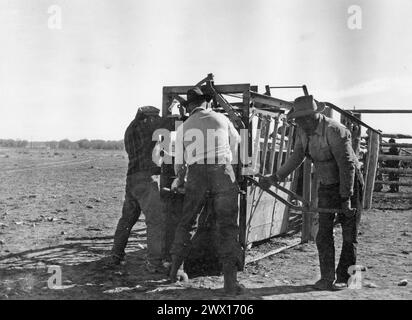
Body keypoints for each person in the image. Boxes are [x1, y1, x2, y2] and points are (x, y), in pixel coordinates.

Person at [260, 95, 363, 291]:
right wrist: (276, 177)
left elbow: (346, 165)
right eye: (296, 119)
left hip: (349, 183)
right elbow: (296, 156)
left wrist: (346, 197)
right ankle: (326, 277)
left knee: (349, 235)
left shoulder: (335, 130)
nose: (298, 122)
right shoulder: (302, 131)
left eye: (300, 118)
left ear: (312, 116)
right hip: (326, 183)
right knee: (323, 232)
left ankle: (345, 277)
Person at [168, 86, 245, 295]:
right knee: (227, 226)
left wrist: (181, 179)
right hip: (222, 171)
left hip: (196, 174)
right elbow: (237, 142)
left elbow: (179, 164)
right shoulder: (221, 119)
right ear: (207, 102)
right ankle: (230, 283)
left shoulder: (184, 127)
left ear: (189, 106)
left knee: (187, 221)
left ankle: (175, 272)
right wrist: (231, 168)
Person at [110, 106, 169, 273]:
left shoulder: (130, 129)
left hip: (132, 179)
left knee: (126, 220)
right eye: (155, 117)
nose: (157, 120)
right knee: (156, 221)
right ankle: (154, 263)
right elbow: (170, 124)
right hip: (145, 180)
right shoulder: (147, 126)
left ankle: (116, 255)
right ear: (148, 118)